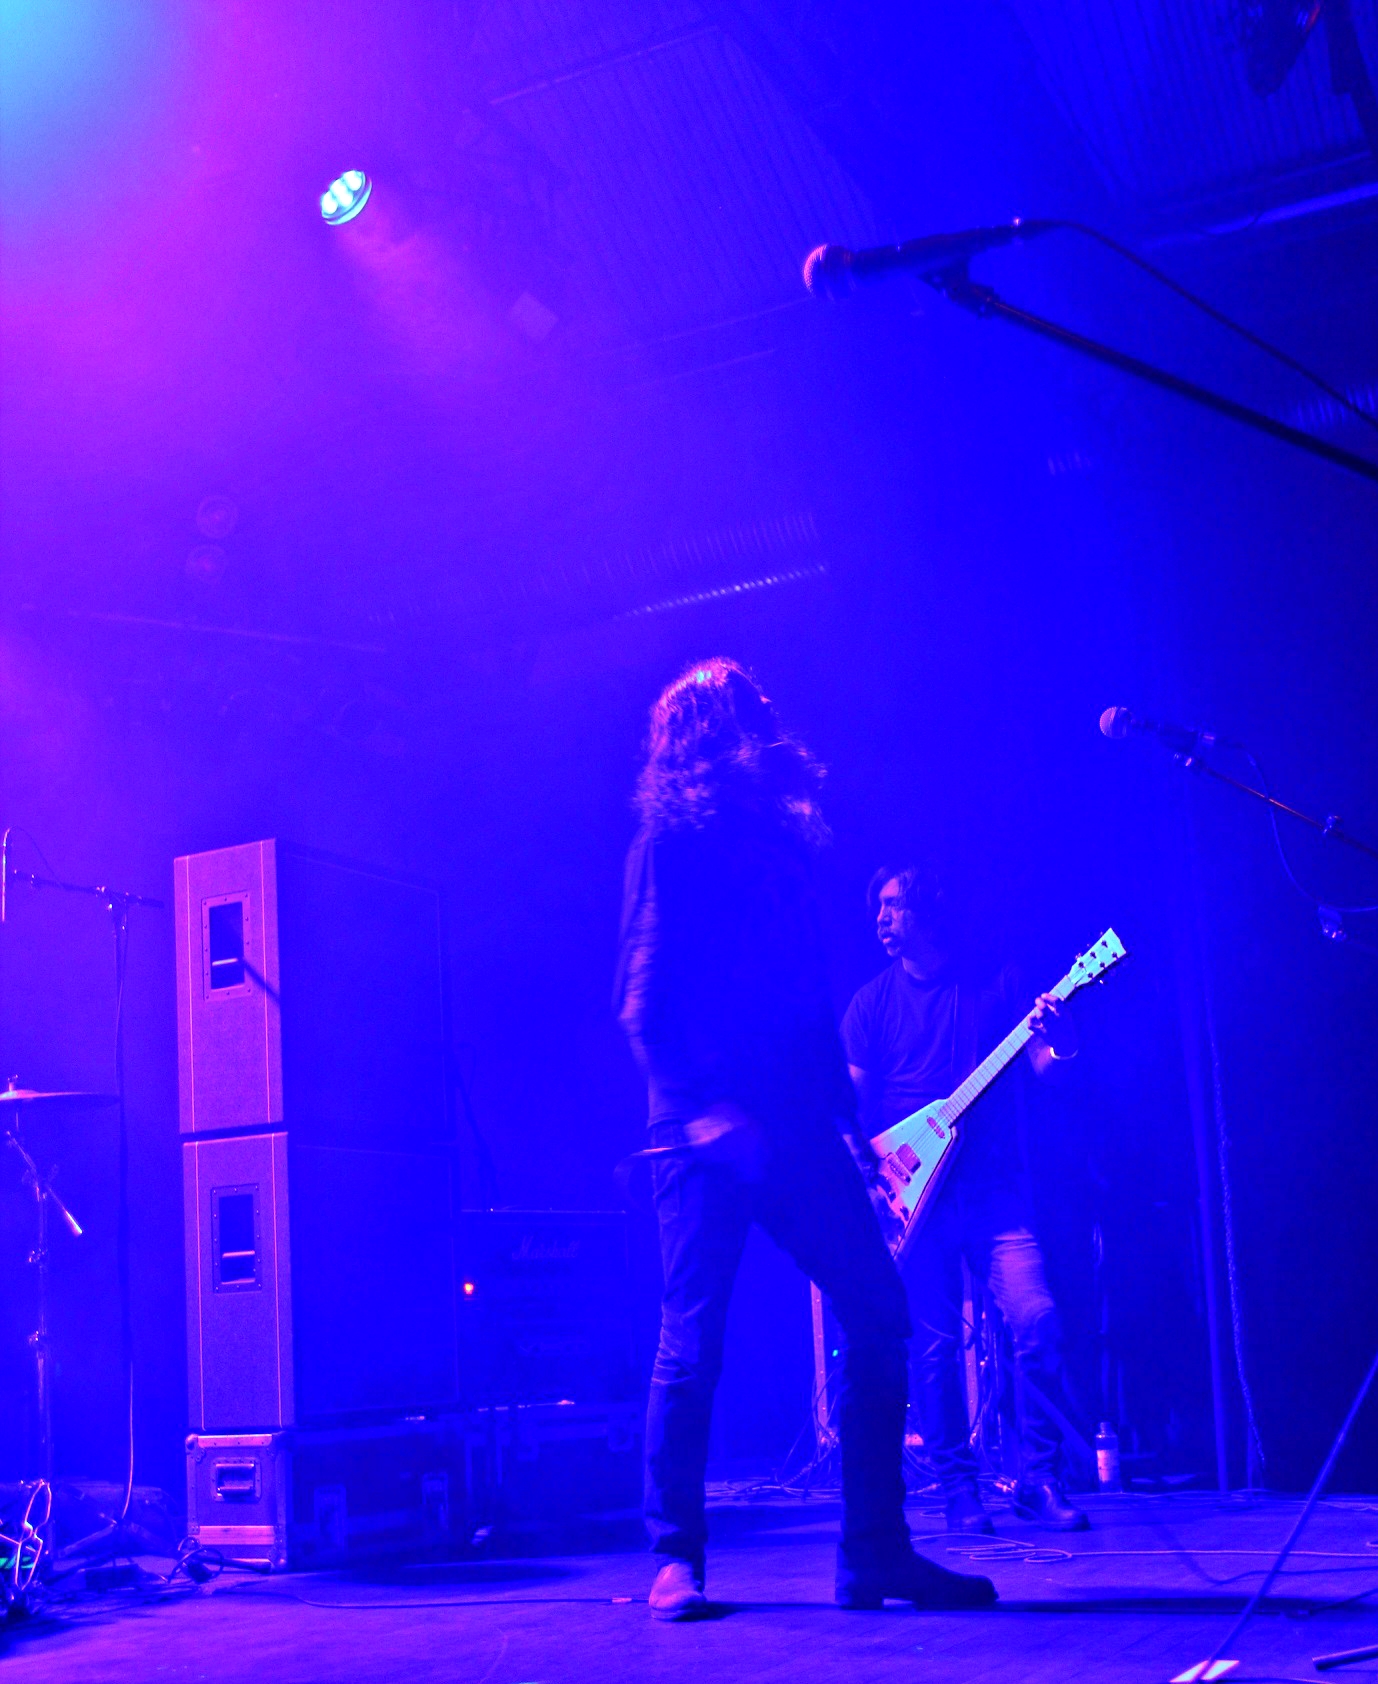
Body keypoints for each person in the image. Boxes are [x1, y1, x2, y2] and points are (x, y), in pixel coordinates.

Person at [615, 660, 997, 1620]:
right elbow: (642, 1001)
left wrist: (845, 1128)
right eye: (751, 710)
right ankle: (674, 1558)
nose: (771, 719)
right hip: (702, 1129)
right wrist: (703, 1109)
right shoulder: (670, 843)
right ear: (710, 735)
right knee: (694, 1335)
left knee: (878, 1308)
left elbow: (806, 1002)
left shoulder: (779, 849)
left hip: (794, 1121)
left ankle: (875, 1552)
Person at [841, 863, 1090, 1535]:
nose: (881, 918)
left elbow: (1045, 1070)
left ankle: (1039, 1480)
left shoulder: (994, 984)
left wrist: (1063, 1040)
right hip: (915, 1201)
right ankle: (958, 1489)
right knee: (934, 1349)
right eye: (879, 907)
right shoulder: (871, 1005)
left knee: (1038, 1323)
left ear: (927, 909)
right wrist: (871, 1176)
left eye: (894, 905)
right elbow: (850, 1107)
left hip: (994, 1195)